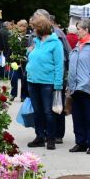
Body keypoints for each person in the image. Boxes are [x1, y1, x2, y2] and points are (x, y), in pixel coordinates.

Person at [26, 13, 64, 150]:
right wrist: (28, 52)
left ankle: (51, 138)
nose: (33, 30)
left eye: (34, 27)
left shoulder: (56, 43)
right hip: (32, 81)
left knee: (48, 112)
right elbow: (32, 57)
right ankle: (40, 137)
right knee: (37, 111)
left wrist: (58, 85)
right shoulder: (36, 42)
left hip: (47, 83)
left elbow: (59, 65)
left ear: (41, 28)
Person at [67, 18, 90, 154]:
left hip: (88, 87)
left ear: (87, 30)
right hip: (75, 87)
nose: (77, 32)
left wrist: (89, 78)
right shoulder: (78, 45)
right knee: (78, 116)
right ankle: (80, 142)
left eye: (79, 29)